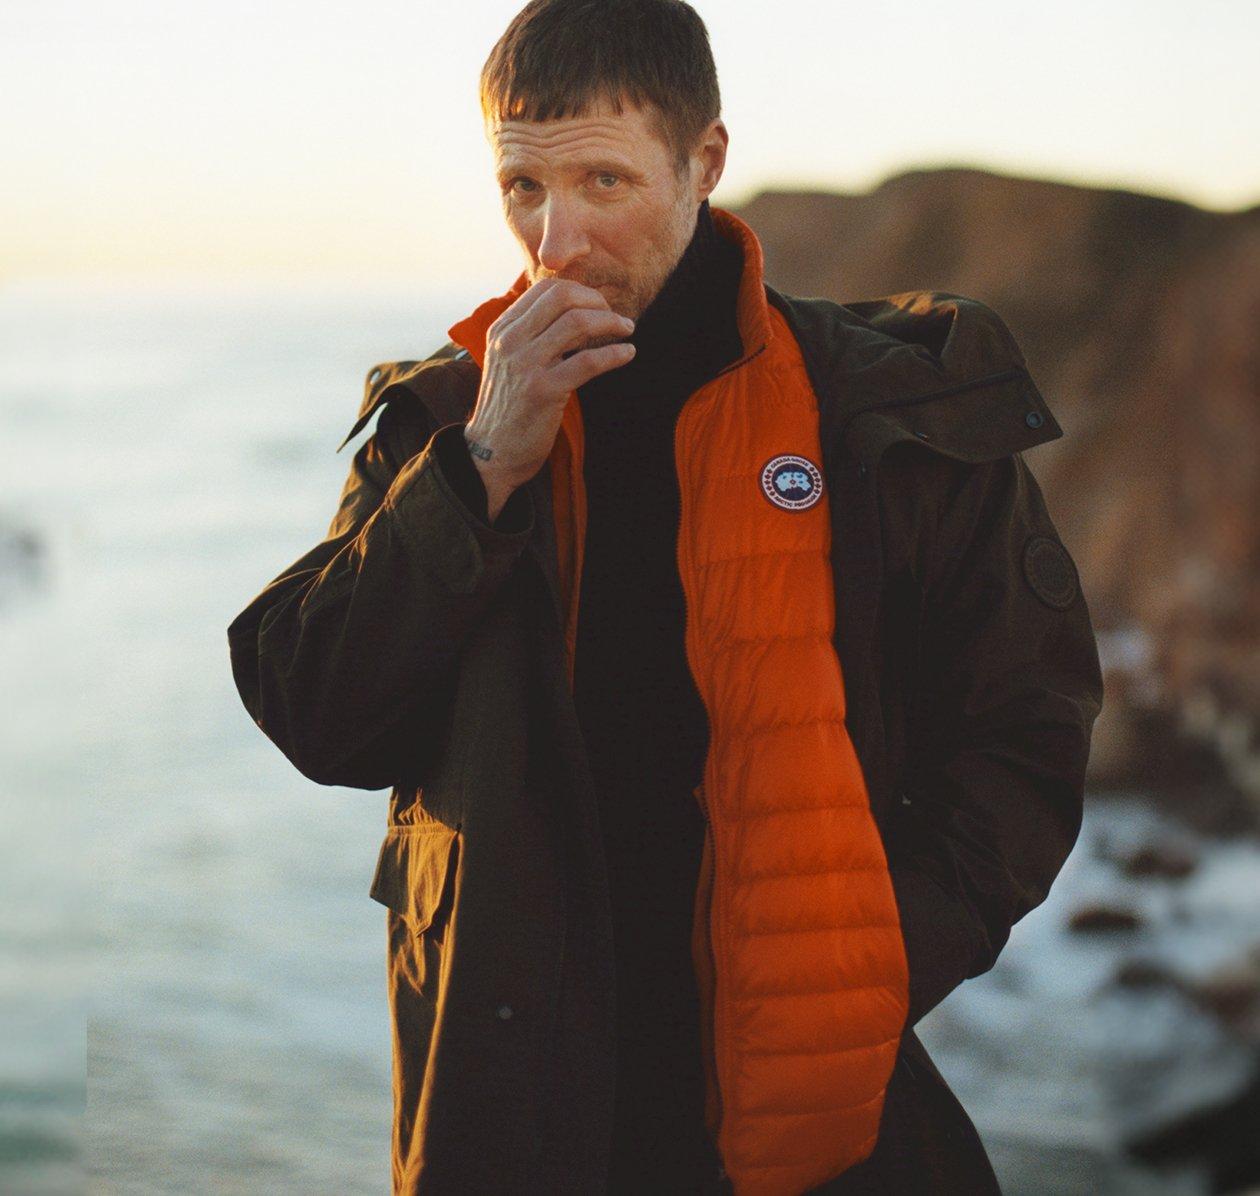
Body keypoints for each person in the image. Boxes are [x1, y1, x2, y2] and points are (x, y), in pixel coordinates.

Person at [225, 1, 1104, 1192]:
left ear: (706, 163)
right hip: (513, 1107)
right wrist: (486, 463)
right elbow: (318, 712)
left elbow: (1028, 724)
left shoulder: (879, 409)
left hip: (813, 1109)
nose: (560, 240)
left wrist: (869, 951)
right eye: (523, 189)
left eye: (604, 180)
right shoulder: (445, 418)